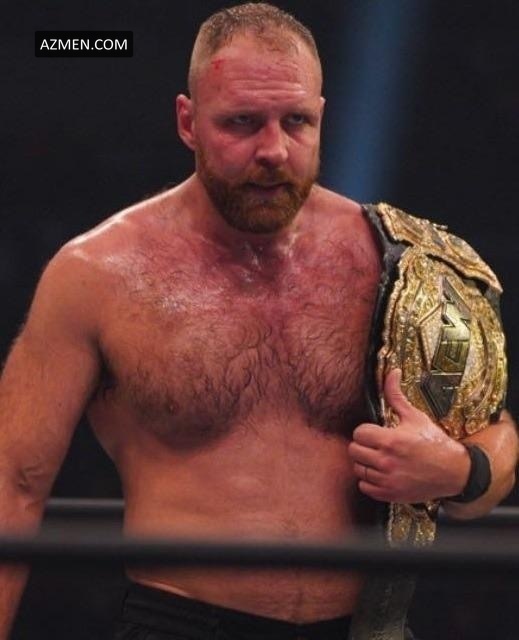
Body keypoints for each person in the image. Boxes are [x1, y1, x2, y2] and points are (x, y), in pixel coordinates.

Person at [0, 3, 517, 639]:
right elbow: (13, 484)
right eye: (241, 122)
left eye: (296, 121)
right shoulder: (96, 275)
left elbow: (495, 431)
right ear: (188, 122)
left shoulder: (397, 264)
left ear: (322, 117)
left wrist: (461, 471)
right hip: (182, 625)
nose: (273, 149)